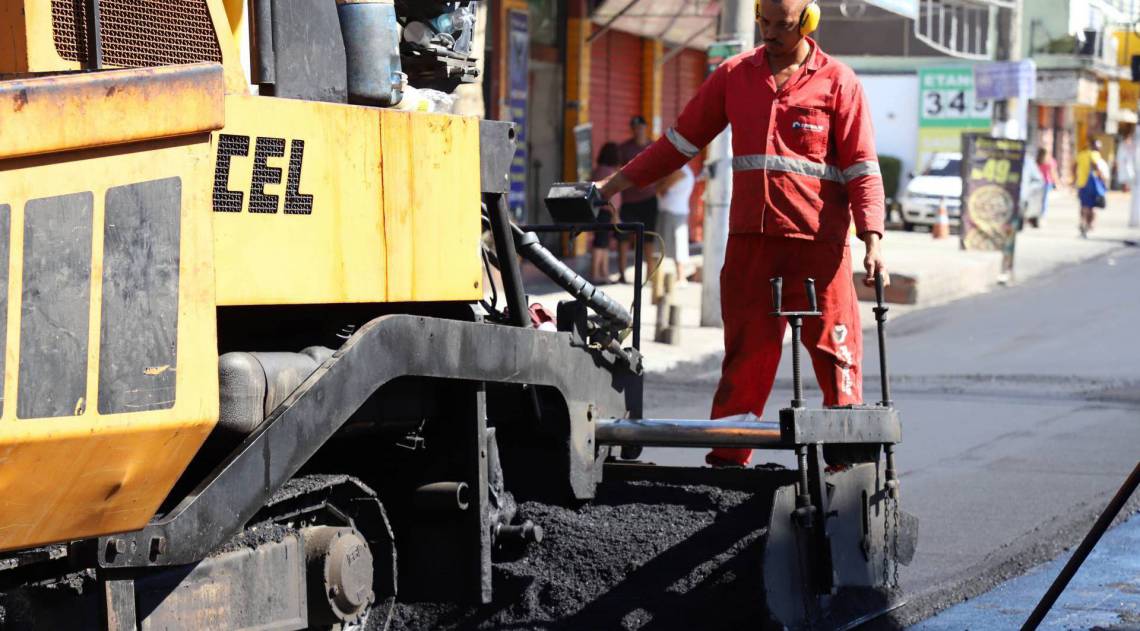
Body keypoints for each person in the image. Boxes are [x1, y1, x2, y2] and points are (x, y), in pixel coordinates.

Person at [598, 0, 888, 467]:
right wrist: (612, 185)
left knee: (836, 354)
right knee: (744, 360)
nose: (770, 34)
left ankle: (845, 467)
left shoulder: (839, 82)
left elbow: (862, 169)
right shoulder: (735, 76)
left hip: (819, 247)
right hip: (752, 244)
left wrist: (873, 238)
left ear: (808, 22)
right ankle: (729, 466)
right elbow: (679, 143)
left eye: (783, 25)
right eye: (764, 23)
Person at [616, 116, 658, 283]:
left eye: (640, 127)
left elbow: (665, 168)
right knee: (624, 238)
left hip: (648, 199)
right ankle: (621, 274)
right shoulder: (624, 148)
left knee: (648, 238)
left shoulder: (653, 146)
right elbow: (617, 171)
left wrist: (658, 188)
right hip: (629, 200)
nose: (637, 130)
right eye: (634, 127)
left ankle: (650, 276)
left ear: (645, 128)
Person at [655, 163, 696, 282]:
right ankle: (678, 276)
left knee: (672, 246)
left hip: (673, 211)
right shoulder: (685, 170)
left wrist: (661, 184)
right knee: (675, 245)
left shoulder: (680, 170)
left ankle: (679, 276)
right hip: (675, 210)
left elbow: (660, 188)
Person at [589, 142, 622, 284]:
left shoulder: (598, 170)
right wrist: (616, 215)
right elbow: (611, 197)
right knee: (601, 243)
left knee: (602, 242)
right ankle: (597, 273)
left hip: (598, 211)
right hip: (605, 211)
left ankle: (603, 272)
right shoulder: (609, 172)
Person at [1075, 139, 1109, 238]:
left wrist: (1075, 178)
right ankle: (1089, 225)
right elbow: (1097, 167)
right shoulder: (1094, 154)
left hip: (1081, 183)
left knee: (1083, 205)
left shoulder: (1081, 154)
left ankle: (1082, 222)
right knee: (1092, 206)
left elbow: (1074, 166)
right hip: (1091, 184)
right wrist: (1102, 179)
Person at [1032, 146, 1060, 228]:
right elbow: (1053, 173)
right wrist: (1056, 183)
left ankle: (1035, 216)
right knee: (1044, 201)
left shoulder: (1036, 161)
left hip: (1037, 183)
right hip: (1047, 183)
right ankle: (1042, 217)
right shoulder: (1050, 161)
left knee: (1037, 200)